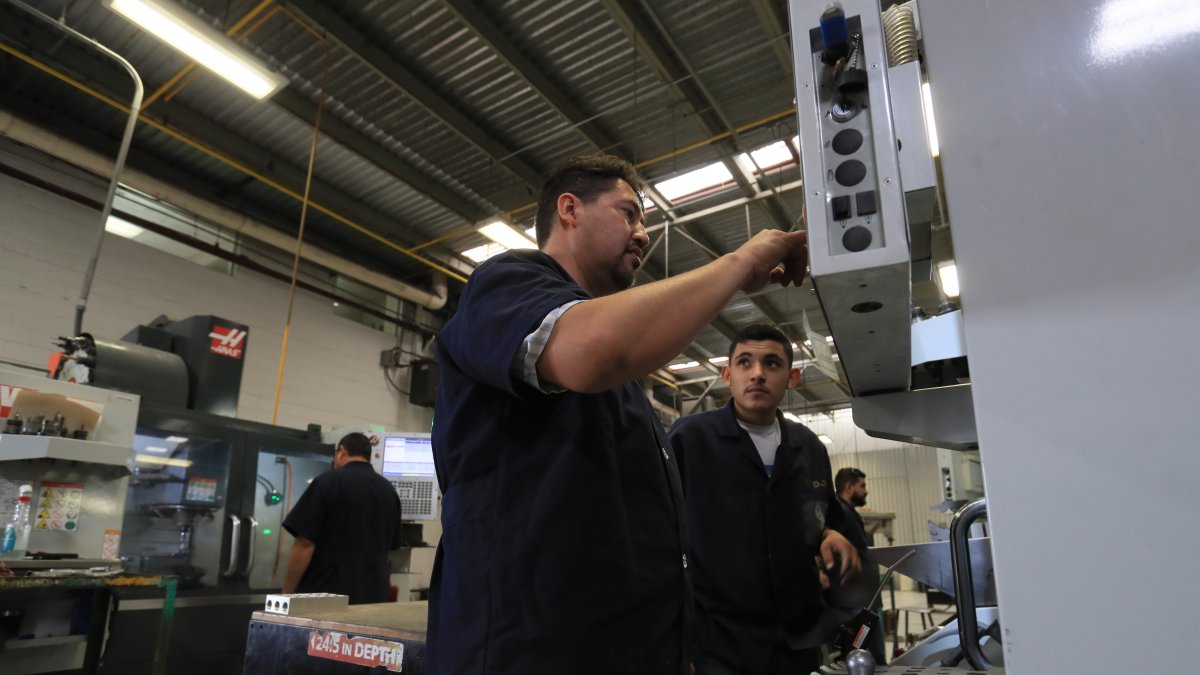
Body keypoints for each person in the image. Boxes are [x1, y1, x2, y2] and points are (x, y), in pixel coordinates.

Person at [428, 154, 809, 675]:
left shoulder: (622, 378)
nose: (642, 234)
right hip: (531, 651)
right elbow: (592, 350)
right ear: (569, 210)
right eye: (628, 213)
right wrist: (739, 263)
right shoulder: (507, 283)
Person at [667, 324, 859, 675]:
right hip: (717, 645)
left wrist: (828, 534)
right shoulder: (690, 439)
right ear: (727, 375)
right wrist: (675, 642)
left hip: (796, 643)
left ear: (792, 378)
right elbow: (656, 536)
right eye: (744, 362)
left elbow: (821, 517)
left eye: (772, 363)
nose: (757, 373)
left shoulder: (809, 447)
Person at [281, 432, 402, 604]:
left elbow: (305, 544)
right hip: (372, 599)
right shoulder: (389, 491)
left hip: (327, 597)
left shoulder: (327, 483)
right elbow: (391, 549)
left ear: (341, 452)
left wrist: (286, 595)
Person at [830, 467, 887, 663]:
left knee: (872, 655)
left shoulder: (849, 513)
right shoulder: (838, 513)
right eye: (862, 486)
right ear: (849, 487)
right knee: (861, 655)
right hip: (853, 601)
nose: (866, 491)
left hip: (863, 600)